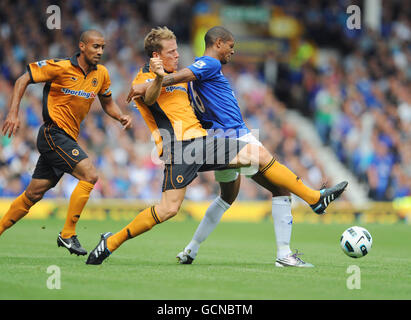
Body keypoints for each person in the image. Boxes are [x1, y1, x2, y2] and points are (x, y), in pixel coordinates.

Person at [86, 27, 347, 265]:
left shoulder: (179, 79)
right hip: (180, 147)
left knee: (249, 166)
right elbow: (151, 96)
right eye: (172, 51)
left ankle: (308, 207)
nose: (178, 55)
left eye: (178, 50)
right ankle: (111, 242)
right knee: (167, 209)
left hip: (200, 142)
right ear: (156, 55)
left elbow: (191, 106)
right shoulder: (142, 80)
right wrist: (155, 78)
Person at [0, 30, 132, 256]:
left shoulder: (101, 74)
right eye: (95, 47)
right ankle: (68, 234)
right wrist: (13, 113)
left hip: (67, 138)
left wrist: (120, 116)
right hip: (52, 133)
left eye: (102, 47)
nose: (100, 51)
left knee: (33, 194)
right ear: (82, 46)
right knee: (90, 175)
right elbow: (23, 79)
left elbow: (108, 103)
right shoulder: (60, 66)